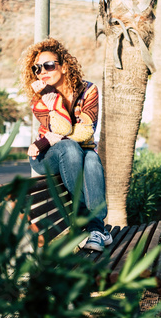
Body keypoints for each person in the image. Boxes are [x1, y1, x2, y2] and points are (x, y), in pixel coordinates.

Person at [19, 38, 112, 251]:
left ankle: (97, 229)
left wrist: (48, 139)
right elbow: (62, 128)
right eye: (37, 68)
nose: (42, 71)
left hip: (75, 151)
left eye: (48, 65)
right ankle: (83, 226)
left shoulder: (88, 91)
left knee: (91, 158)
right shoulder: (40, 98)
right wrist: (48, 96)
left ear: (63, 65)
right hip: (46, 158)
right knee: (70, 147)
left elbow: (87, 130)